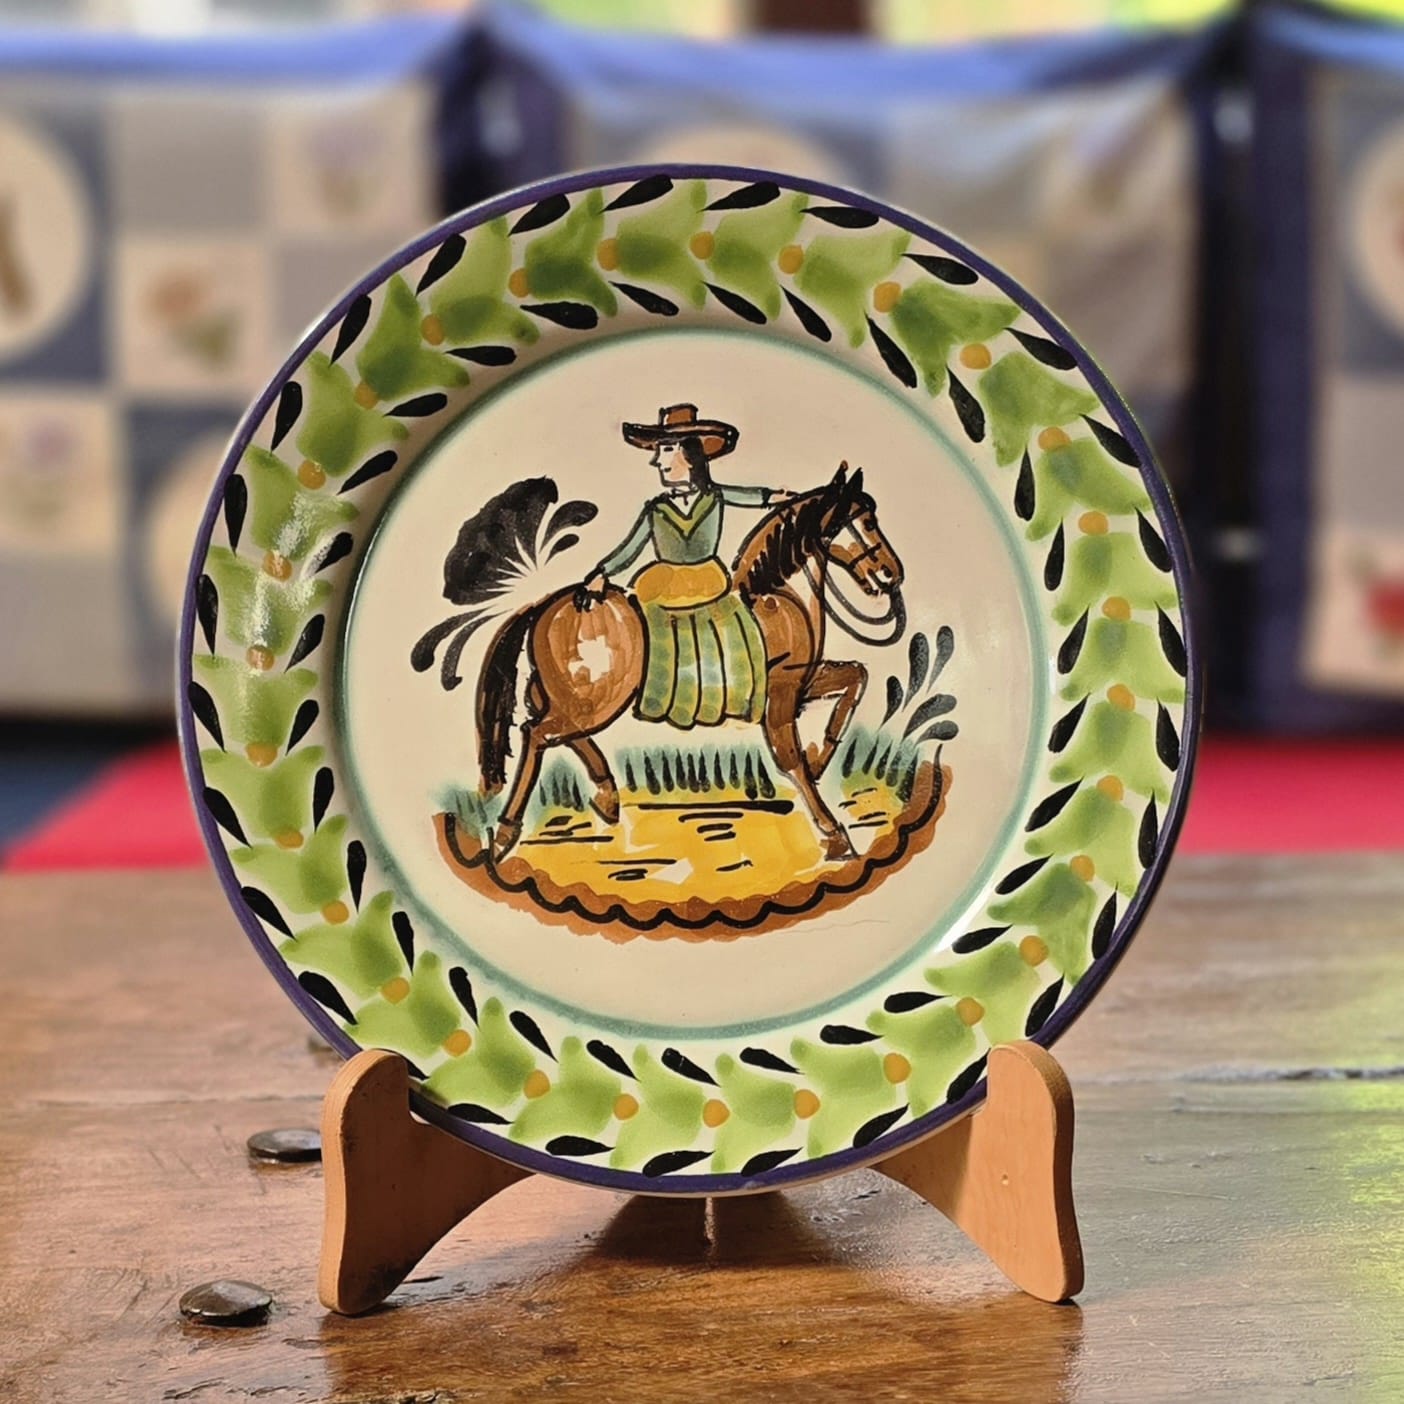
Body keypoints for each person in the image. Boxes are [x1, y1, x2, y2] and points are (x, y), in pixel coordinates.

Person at [582, 403, 789, 728]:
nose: (656, 460)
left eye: (665, 450)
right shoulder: (656, 508)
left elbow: (752, 496)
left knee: (736, 630)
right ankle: (663, 697)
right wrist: (602, 573)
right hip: (665, 584)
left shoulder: (715, 497)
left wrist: (776, 496)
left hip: (708, 582)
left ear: (690, 455)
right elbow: (631, 548)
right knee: (658, 634)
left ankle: (725, 697)